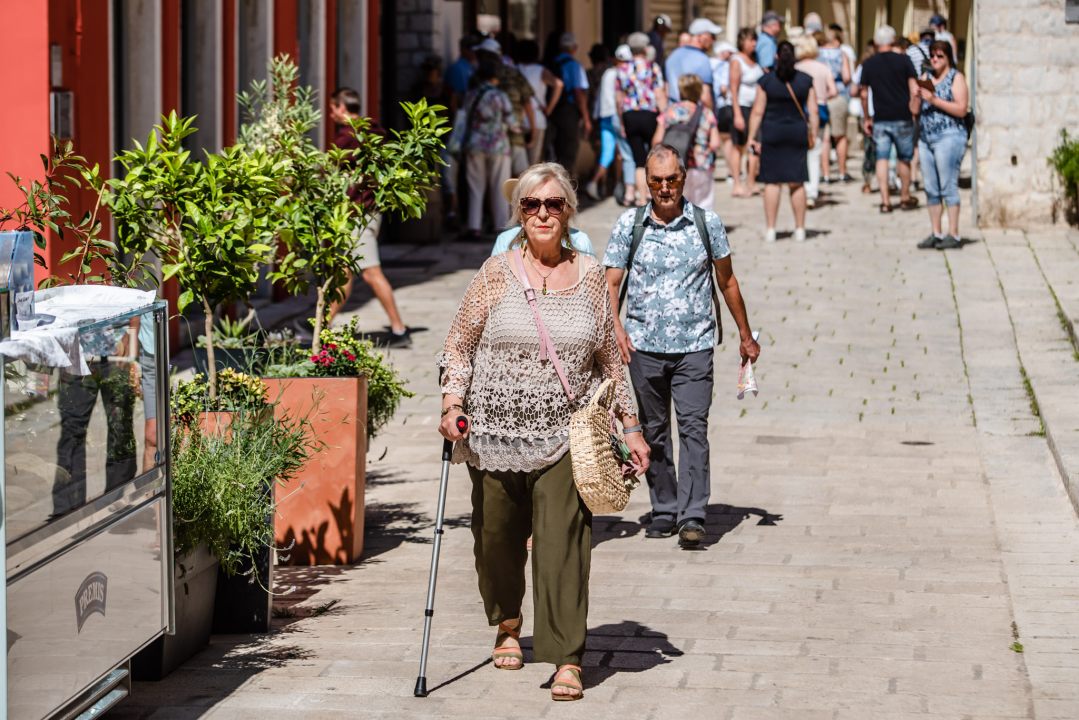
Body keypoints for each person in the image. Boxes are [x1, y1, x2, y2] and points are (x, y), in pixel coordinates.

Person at [439, 162, 649, 701]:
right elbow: (458, 344)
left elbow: (611, 362)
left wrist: (631, 427)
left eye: (553, 204)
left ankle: (567, 657)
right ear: (519, 214)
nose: (542, 214)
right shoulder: (495, 274)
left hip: (566, 434)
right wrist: (451, 402)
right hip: (491, 431)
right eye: (531, 205)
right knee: (496, 544)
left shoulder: (591, 280)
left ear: (568, 212)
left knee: (563, 546)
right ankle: (508, 622)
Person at [603, 144, 760, 547]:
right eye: (656, 181)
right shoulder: (629, 225)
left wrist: (745, 335)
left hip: (695, 345)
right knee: (653, 430)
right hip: (642, 348)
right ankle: (664, 507)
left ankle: (692, 515)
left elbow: (727, 281)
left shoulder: (707, 223)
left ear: (684, 177)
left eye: (672, 179)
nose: (664, 188)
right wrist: (615, 328)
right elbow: (611, 284)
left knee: (693, 428)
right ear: (646, 182)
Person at [327, 88, 410, 344]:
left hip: (357, 214)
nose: (331, 115)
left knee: (371, 273)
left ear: (342, 108)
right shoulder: (375, 133)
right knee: (344, 272)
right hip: (370, 211)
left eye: (332, 109)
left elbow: (328, 168)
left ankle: (399, 330)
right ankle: (320, 325)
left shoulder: (349, 137)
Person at [746, 40, 817, 243]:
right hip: (797, 133)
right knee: (797, 181)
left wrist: (752, 136)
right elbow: (812, 111)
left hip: (772, 133)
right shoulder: (805, 80)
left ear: (776, 56)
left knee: (772, 181)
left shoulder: (766, 80)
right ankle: (801, 229)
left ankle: (771, 229)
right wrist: (814, 133)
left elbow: (758, 111)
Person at [859, 25, 920, 214]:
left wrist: (867, 118)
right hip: (902, 116)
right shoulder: (904, 60)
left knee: (882, 158)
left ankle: (885, 201)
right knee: (904, 158)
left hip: (881, 118)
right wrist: (914, 110)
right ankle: (904, 197)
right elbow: (914, 88)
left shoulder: (869, 64)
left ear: (876, 42)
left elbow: (863, 94)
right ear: (893, 41)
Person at [914, 41, 969, 250]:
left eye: (940, 56)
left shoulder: (957, 77)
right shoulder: (926, 78)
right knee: (931, 188)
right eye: (933, 56)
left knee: (948, 186)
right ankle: (936, 233)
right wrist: (915, 97)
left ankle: (953, 234)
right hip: (926, 137)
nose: (935, 60)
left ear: (948, 58)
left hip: (949, 136)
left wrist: (934, 100)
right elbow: (915, 109)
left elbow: (961, 109)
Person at [460, 62, 520, 239]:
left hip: (475, 143)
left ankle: (474, 226)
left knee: (475, 187)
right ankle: (501, 226)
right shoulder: (500, 96)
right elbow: (513, 123)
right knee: (500, 185)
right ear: (495, 79)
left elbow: (464, 117)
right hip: (498, 144)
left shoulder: (471, 95)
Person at [653, 74, 721, 210]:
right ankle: (700, 229)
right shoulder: (707, 113)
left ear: (680, 90)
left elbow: (658, 139)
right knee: (703, 204)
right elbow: (715, 143)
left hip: (677, 165)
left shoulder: (670, 111)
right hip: (702, 165)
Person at [616, 32, 667, 207]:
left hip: (630, 115)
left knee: (638, 160)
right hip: (649, 114)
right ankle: (652, 196)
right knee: (653, 157)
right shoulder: (653, 68)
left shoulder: (621, 69)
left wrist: (622, 121)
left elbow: (619, 98)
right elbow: (659, 94)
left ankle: (642, 199)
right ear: (646, 49)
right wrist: (665, 116)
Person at [476, 38, 535, 178]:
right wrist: (532, 129)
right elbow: (527, 102)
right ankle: (516, 201)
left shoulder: (479, 76)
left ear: (486, 55)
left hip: (489, 137)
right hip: (514, 133)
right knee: (519, 177)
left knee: (492, 179)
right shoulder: (514, 73)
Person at [794, 35, 837, 209]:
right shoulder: (823, 67)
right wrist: (821, 97)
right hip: (820, 110)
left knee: (801, 153)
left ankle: (803, 188)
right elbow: (833, 90)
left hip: (800, 111)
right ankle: (812, 192)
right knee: (816, 150)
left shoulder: (796, 68)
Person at [586, 44, 633, 201]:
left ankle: (601, 185)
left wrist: (594, 116)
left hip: (603, 115)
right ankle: (621, 186)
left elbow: (599, 95)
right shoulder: (622, 74)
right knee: (622, 153)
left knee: (608, 153)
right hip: (615, 116)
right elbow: (619, 100)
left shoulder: (608, 73)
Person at [514, 39, 564, 167]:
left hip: (517, 119)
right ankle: (530, 187)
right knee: (533, 164)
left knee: (517, 164)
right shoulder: (540, 70)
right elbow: (558, 84)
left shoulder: (513, 69)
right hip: (537, 118)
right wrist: (549, 108)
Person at [548, 32, 592, 173]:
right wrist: (586, 118)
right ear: (574, 47)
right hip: (568, 112)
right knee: (568, 151)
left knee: (554, 152)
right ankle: (566, 189)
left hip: (551, 111)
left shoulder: (550, 63)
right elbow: (578, 93)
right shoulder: (574, 66)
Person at [729, 28, 763, 197]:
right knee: (739, 146)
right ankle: (737, 184)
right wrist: (737, 114)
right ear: (742, 41)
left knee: (756, 145)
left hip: (757, 109)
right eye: (751, 40)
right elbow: (733, 90)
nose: (754, 44)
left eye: (755, 40)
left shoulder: (755, 60)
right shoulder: (736, 61)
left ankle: (751, 183)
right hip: (742, 107)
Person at [818, 27, 853, 182]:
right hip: (838, 96)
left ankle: (825, 174)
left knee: (824, 138)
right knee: (840, 136)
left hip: (821, 96)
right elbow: (847, 76)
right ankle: (842, 172)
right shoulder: (841, 54)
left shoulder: (817, 53)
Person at [665, 18, 720, 107]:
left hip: (673, 115)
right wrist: (710, 118)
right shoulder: (702, 59)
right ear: (700, 36)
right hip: (695, 117)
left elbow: (667, 90)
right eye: (712, 36)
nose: (714, 40)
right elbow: (705, 98)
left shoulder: (673, 56)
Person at [849, 41, 877, 195]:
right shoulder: (883, 66)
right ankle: (890, 178)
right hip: (881, 111)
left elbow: (853, 91)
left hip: (866, 112)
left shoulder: (862, 68)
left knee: (869, 148)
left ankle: (867, 181)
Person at [710, 41, 739, 184]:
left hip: (709, 107)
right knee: (727, 140)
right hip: (723, 107)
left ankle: (711, 168)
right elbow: (723, 87)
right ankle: (731, 172)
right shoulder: (724, 65)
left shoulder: (708, 63)